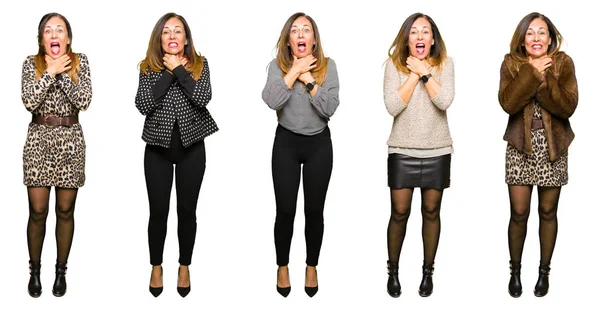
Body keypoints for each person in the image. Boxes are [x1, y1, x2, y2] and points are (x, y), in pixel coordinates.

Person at [135, 12, 218, 298]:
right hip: (157, 149)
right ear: (159, 38)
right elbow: (143, 103)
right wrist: (169, 72)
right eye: (166, 32)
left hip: (192, 147)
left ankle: (184, 266)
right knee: (158, 212)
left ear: (186, 38)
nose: (172, 36)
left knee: (187, 211)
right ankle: (156, 265)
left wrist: (181, 71)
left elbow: (203, 97)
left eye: (178, 31)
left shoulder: (199, 65)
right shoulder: (148, 68)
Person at [499, 12, 577, 298]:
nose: (536, 38)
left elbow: (567, 107)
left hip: (553, 148)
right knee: (519, 213)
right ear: (522, 39)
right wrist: (531, 72)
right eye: (530, 33)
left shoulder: (563, 63)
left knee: (548, 211)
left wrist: (544, 78)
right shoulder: (511, 63)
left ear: (550, 38)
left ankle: (544, 271)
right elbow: (508, 103)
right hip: (520, 147)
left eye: (541, 33)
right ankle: (515, 271)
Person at [261, 12, 340, 298]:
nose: (301, 34)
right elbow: (271, 100)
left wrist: (308, 79)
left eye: (306, 30)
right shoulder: (276, 66)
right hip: (285, 144)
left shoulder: (329, 67)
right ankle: (282, 266)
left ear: (314, 39)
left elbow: (329, 108)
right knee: (285, 211)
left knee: (313, 211)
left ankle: (311, 265)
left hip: (319, 145)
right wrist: (293, 72)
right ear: (289, 39)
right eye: (295, 31)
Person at [383, 12, 454, 298]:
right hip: (402, 149)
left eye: (425, 32)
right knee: (399, 212)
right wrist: (413, 74)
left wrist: (425, 72)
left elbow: (445, 100)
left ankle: (427, 272)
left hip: (438, 149)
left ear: (433, 39)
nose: (420, 37)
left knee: (431, 212)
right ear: (407, 38)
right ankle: (394, 271)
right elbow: (392, 106)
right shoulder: (393, 66)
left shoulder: (446, 65)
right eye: (414, 32)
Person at [21, 12, 92, 298]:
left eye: (59, 30)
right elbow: (29, 101)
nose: (54, 35)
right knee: (38, 211)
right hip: (38, 142)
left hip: (70, 143)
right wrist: (49, 72)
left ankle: (60, 271)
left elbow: (84, 100)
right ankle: (34, 270)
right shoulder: (31, 63)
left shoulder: (80, 62)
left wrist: (62, 72)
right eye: (48, 31)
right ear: (41, 39)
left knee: (65, 211)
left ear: (68, 38)